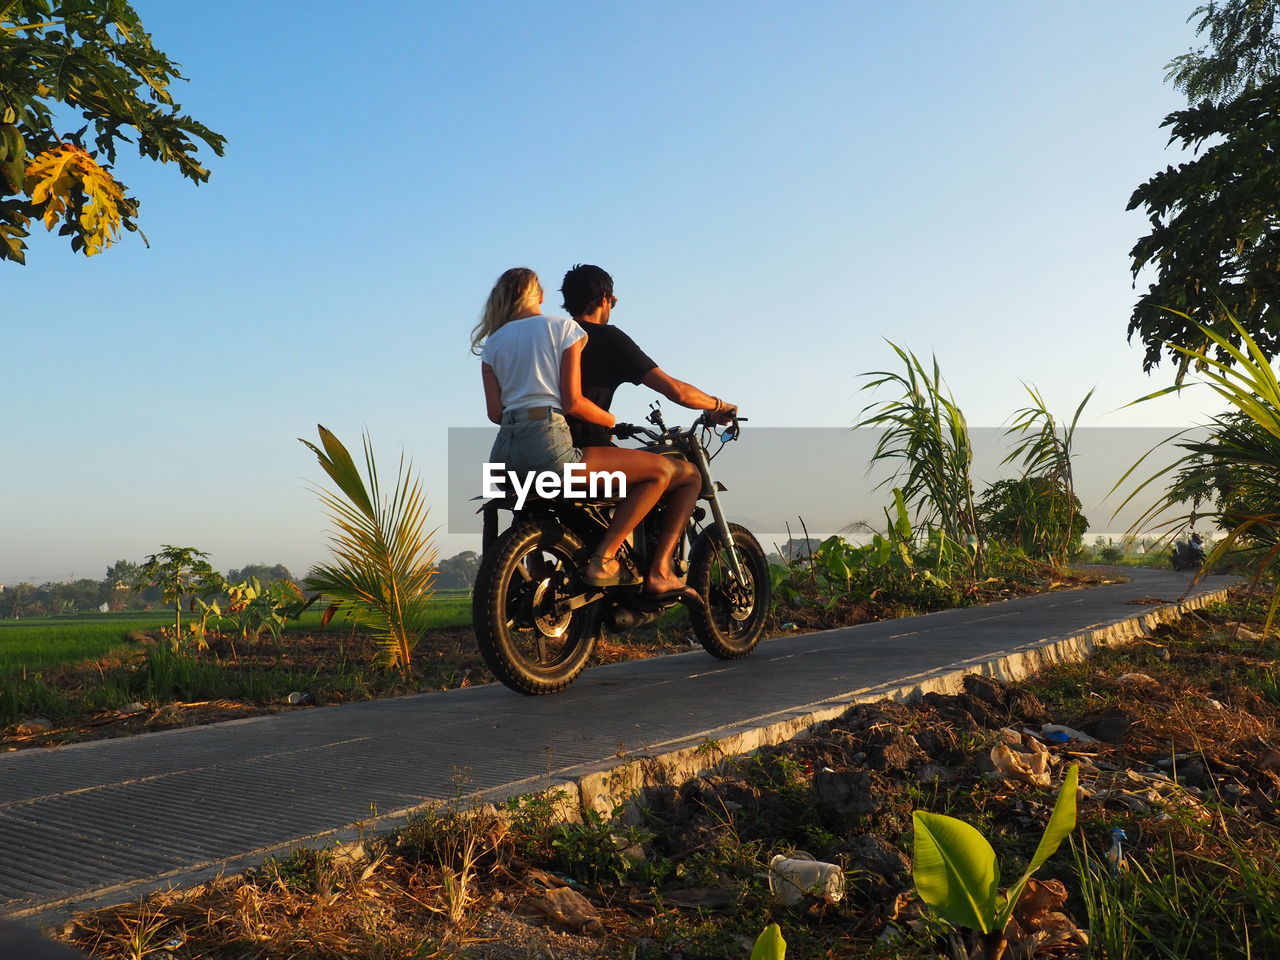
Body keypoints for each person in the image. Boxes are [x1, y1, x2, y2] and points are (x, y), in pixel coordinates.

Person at [472, 267, 690, 594]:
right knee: (660, 471)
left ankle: (536, 564)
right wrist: (609, 420)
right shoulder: (564, 328)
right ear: (539, 296)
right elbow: (572, 402)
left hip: (502, 452)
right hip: (547, 440)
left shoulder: (493, 344)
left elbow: (495, 413)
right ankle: (604, 559)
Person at [558, 264, 737, 597]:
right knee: (686, 475)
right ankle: (658, 570)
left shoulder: (551, 338)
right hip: (587, 450)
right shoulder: (607, 338)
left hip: (542, 446)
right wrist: (716, 404)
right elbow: (676, 391)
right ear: (604, 300)